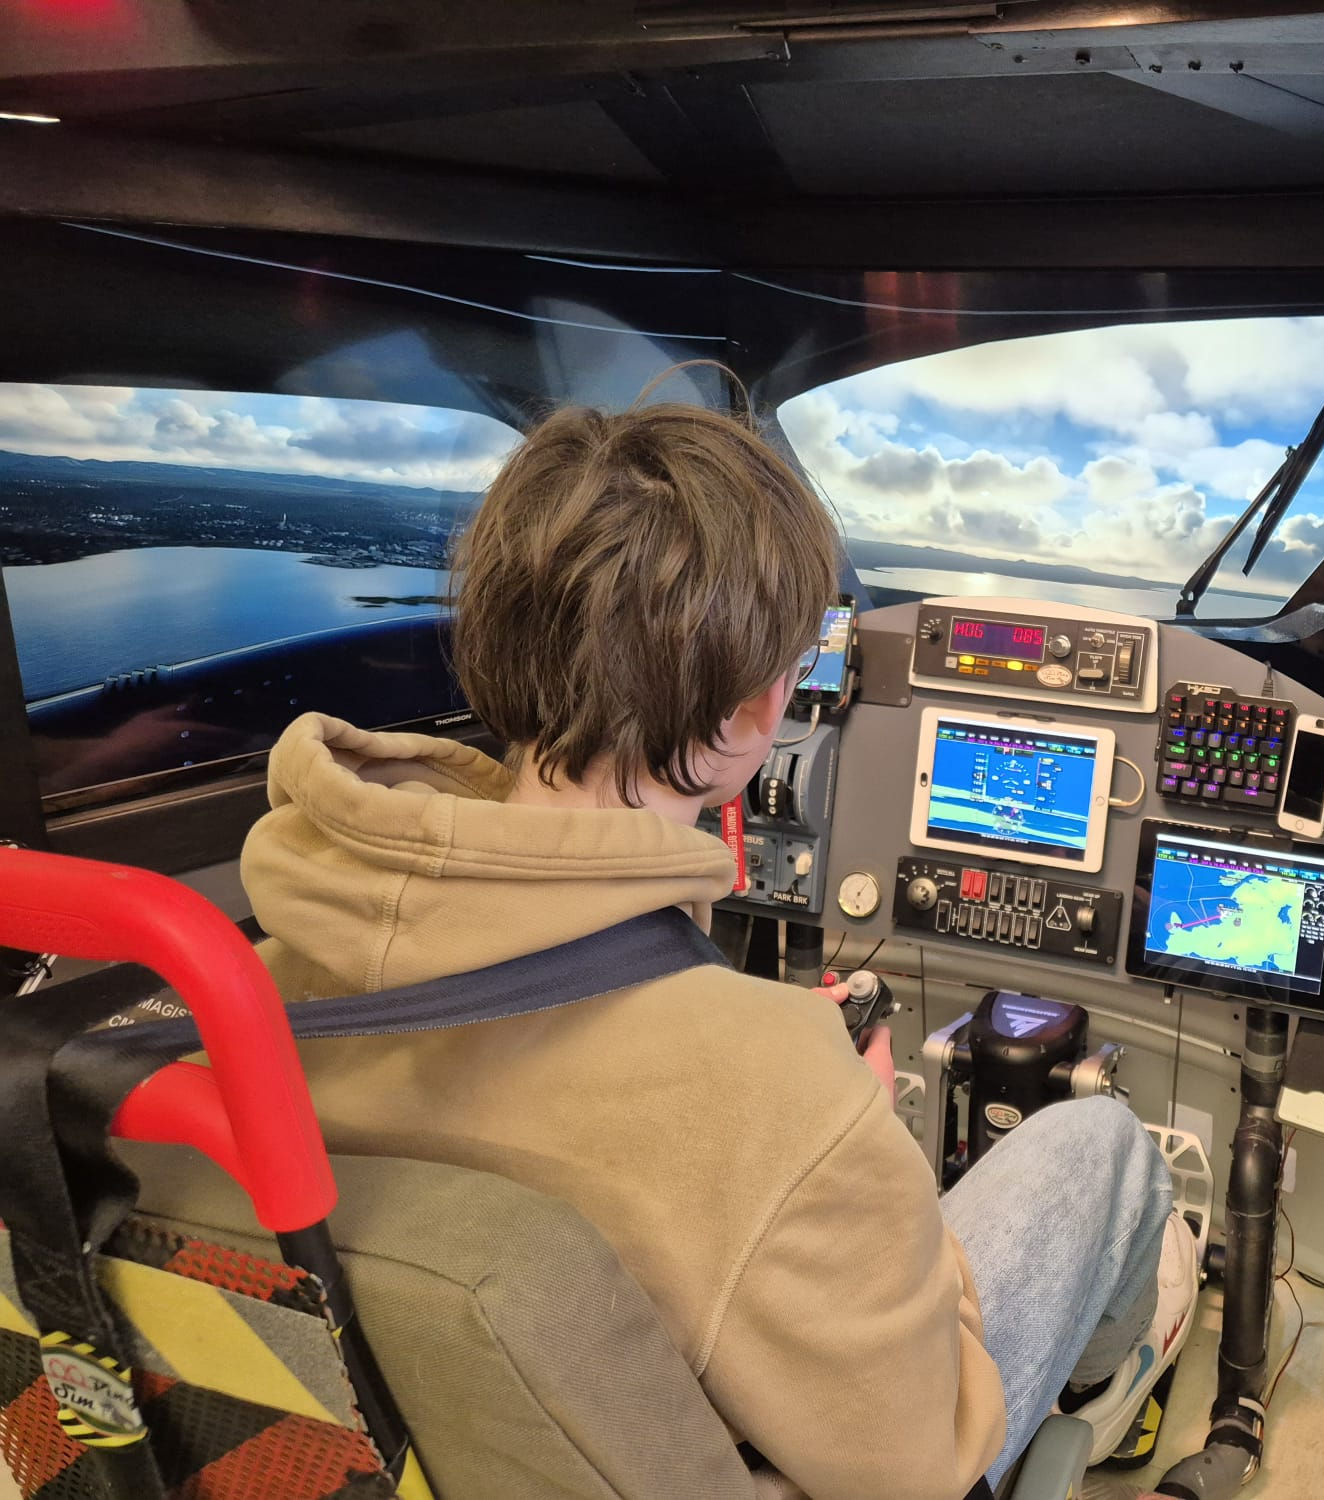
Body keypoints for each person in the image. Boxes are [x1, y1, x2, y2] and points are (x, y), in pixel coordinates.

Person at [238, 380, 1193, 1499]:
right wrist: (859, 1159)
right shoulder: (768, 1084)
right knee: (1102, 1150)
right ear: (750, 715)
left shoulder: (258, 976)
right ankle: (1106, 1402)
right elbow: (916, 1464)